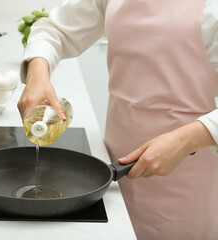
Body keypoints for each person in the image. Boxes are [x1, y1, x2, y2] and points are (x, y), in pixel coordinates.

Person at [17, 0, 218, 239]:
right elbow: (56, 29)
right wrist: (37, 73)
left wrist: (186, 140)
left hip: (185, 174)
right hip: (115, 165)